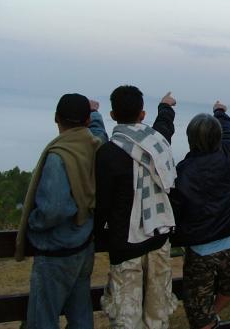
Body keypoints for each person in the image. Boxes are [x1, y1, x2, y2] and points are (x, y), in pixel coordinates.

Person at [15, 93, 107, 329]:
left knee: (43, 319)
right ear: (87, 121)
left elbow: (53, 209)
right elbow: (100, 134)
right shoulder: (93, 145)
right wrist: (95, 112)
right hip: (83, 246)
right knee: (81, 315)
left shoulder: (59, 156)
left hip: (56, 252)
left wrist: (32, 221)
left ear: (56, 118)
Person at [95, 86, 177, 329]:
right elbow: (164, 127)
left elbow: (102, 205)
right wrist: (166, 106)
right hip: (159, 238)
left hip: (124, 244)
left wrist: (95, 236)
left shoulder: (107, 153)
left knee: (126, 319)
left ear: (112, 115)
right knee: (157, 316)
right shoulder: (156, 144)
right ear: (142, 114)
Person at [170, 101, 230, 329]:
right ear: (218, 137)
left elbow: (176, 210)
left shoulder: (182, 171)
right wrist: (220, 111)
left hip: (199, 251)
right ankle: (212, 318)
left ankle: (209, 320)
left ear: (190, 139)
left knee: (198, 310)